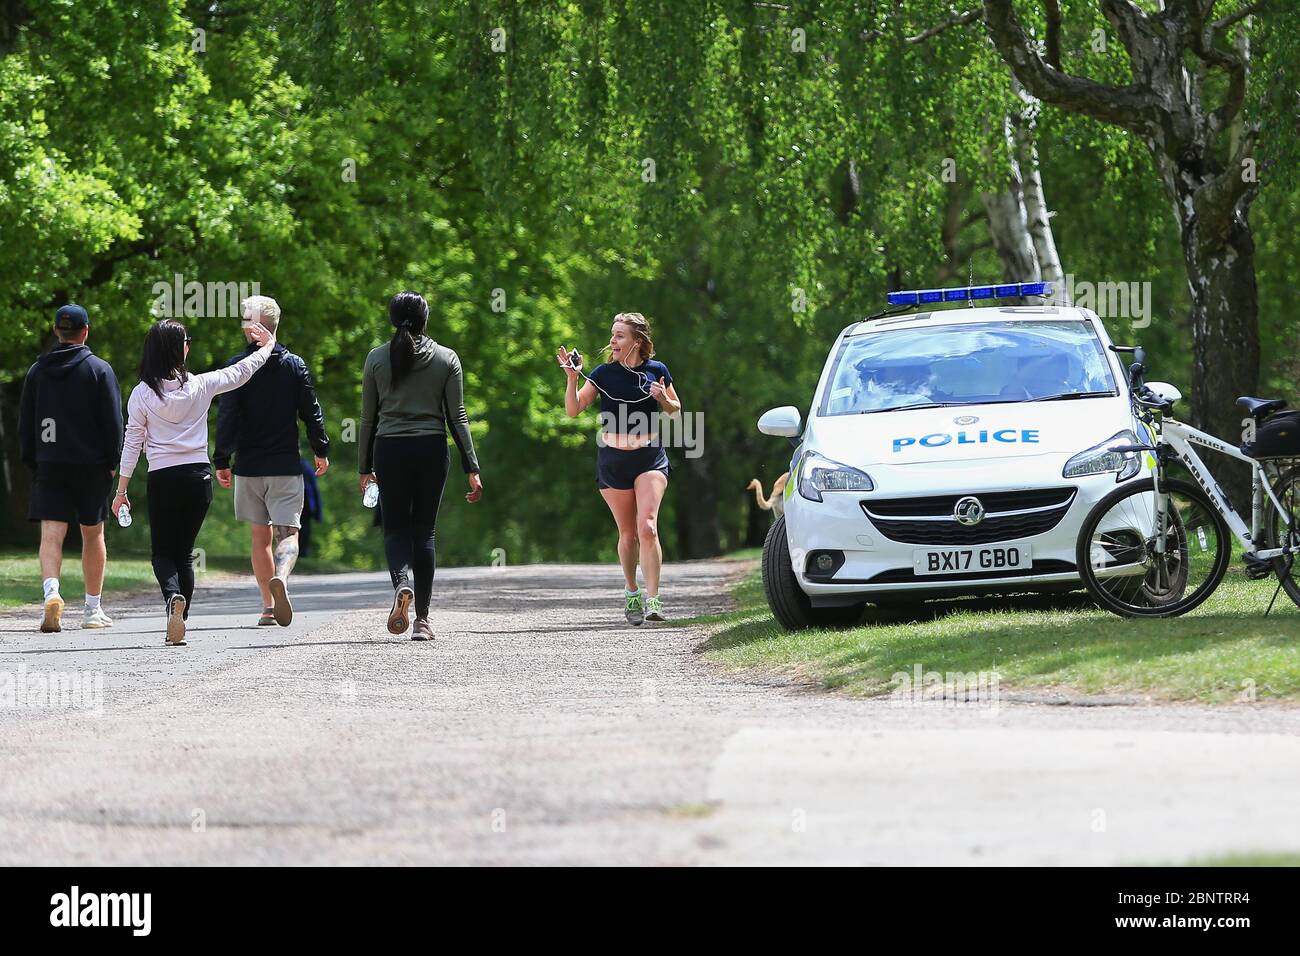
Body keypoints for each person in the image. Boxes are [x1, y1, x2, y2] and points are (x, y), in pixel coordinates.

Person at [113, 319, 276, 646]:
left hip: (163, 478)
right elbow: (242, 371)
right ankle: (180, 620)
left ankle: (173, 598)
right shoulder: (201, 385)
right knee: (185, 553)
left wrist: (121, 490)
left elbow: (132, 442)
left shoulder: (142, 394)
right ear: (178, 348)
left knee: (163, 552)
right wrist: (269, 344)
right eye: (186, 340)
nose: (189, 345)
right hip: (197, 478)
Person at [359, 292, 482, 640]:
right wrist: (471, 467)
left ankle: (402, 584)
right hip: (431, 448)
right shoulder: (446, 358)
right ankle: (423, 621)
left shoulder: (376, 359)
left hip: (389, 450)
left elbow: (368, 420)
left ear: (392, 319)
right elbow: (457, 417)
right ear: (426, 320)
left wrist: (364, 468)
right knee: (424, 532)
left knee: (395, 527)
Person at [557, 311, 681, 625]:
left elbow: (675, 410)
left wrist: (663, 397)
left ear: (637, 341)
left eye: (620, 335)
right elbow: (573, 410)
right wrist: (573, 378)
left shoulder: (657, 370)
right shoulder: (602, 373)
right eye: (613, 335)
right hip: (613, 460)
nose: (612, 341)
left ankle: (654, 600)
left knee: (648, 528)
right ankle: (631, 592)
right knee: (628, 536)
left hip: (649, 457)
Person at [213, 296, 329, 627]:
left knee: (258, 538)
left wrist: (222, 458)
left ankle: (267, 605)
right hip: (285, 465)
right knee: (288, 534)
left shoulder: (238, 367)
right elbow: (311, 411)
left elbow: (227, 416)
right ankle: (283, 576)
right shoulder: (295, 365)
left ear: (254, 328)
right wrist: (321, 449)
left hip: (249, 467)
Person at [18, 304, 124, 632]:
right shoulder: (99, 370)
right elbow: (113, 421)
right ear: (86, 331)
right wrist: (113, 461)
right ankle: (92, 609)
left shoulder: (37, 371)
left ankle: (52, 593)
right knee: (93, 534)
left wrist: (33, 460)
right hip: (91, 465)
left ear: (55, 331)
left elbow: (26, 423)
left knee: (51, 533)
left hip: (50, 463)